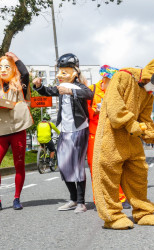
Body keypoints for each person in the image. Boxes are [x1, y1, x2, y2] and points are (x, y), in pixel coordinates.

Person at [92, 57, 154, 230]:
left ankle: (143, 212)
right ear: (152, 76)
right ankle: (111, 216)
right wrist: (131, 124)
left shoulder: (148, 96)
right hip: (111, 137)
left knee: (138, 174)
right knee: (108, 176)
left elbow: (146, 120)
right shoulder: (123, 77)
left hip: (132, 139)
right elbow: (114, 108)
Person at [33, 53, 93, 213]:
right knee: (64, 165)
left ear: (75, 73)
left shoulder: (79, 87)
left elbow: (89, 94)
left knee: (78, 165)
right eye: (59, 72)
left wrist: (70, 92)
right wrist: (38, 86)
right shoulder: (59, 88)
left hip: (79, 129)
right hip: (65, 131)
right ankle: (73, 199)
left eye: (64, 72)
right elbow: (46, 91)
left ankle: (81, 202)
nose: (59, 75)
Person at [86, 65, 130, 210]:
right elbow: (86, 112)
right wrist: (97, 111)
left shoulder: (117, 91)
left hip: (112, 132)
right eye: (111, 79)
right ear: (104, 78)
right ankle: (98, 199)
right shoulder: (92, 90)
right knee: (96, 168)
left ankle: (121, 197)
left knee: (114, 166)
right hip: (94, 134)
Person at [0, 52, 33, 210]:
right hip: (1, 131)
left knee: (19, 165)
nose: (3, 69)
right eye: (0, 67)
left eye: (7, 66)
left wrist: (14, 56)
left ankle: (16, 198)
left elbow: (25, 72)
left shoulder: (20, 83)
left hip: (18, 129)